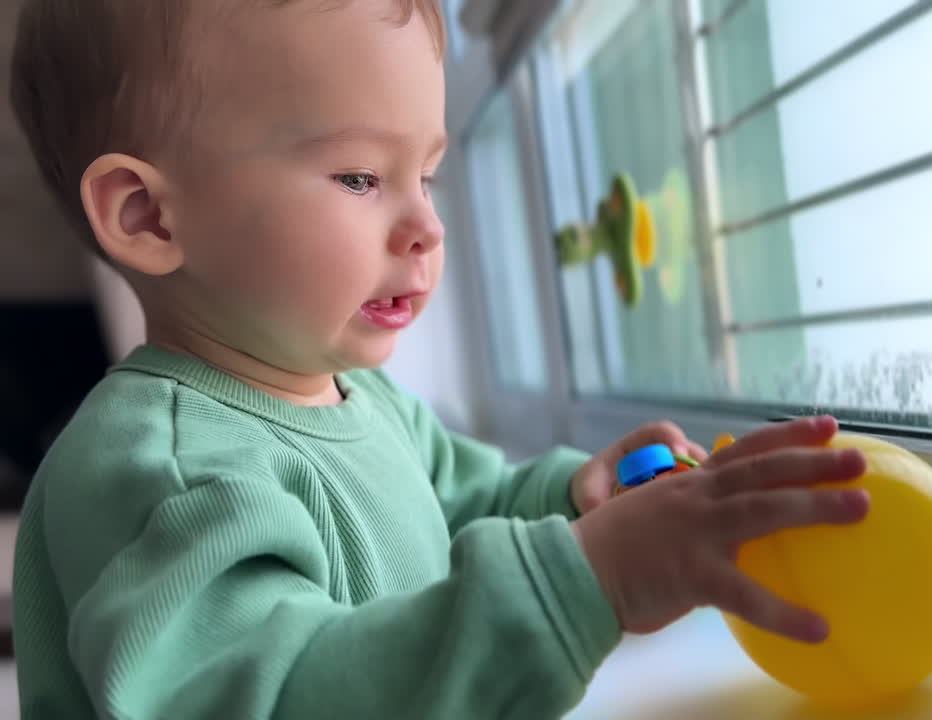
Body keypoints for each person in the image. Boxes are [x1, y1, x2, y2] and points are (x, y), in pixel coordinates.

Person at [7, 1, 872, 717]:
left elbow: (463, 506)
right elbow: (282, 695)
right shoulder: (161, 474)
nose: (427, 225)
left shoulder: (364, 400)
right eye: (359, 177)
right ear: (148, 217)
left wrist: (582, 501)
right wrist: (588, 580)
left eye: (426, 176)